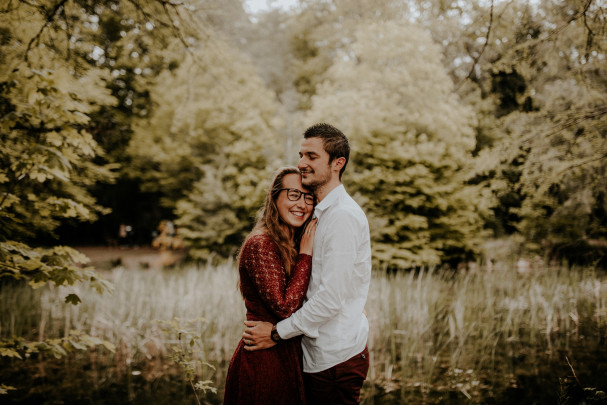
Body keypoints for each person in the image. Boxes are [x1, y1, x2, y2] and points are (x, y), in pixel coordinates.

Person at [243, 123, 372, 405]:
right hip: (315, 355)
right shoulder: (318, 215)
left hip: (333, 359)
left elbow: (330, 299)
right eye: (301, 155)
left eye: (311, 156)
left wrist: (276, 334)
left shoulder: (341, 217)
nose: (302, 163)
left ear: (338, 163)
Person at [223, 166, 318, 405]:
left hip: (285, 352)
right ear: (274, 197)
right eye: (293, 194)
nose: (302, 204)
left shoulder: (291, 242)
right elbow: (285, 307)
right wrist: (306, 254)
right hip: (264, 358)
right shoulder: (261, 243)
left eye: (308, 197)